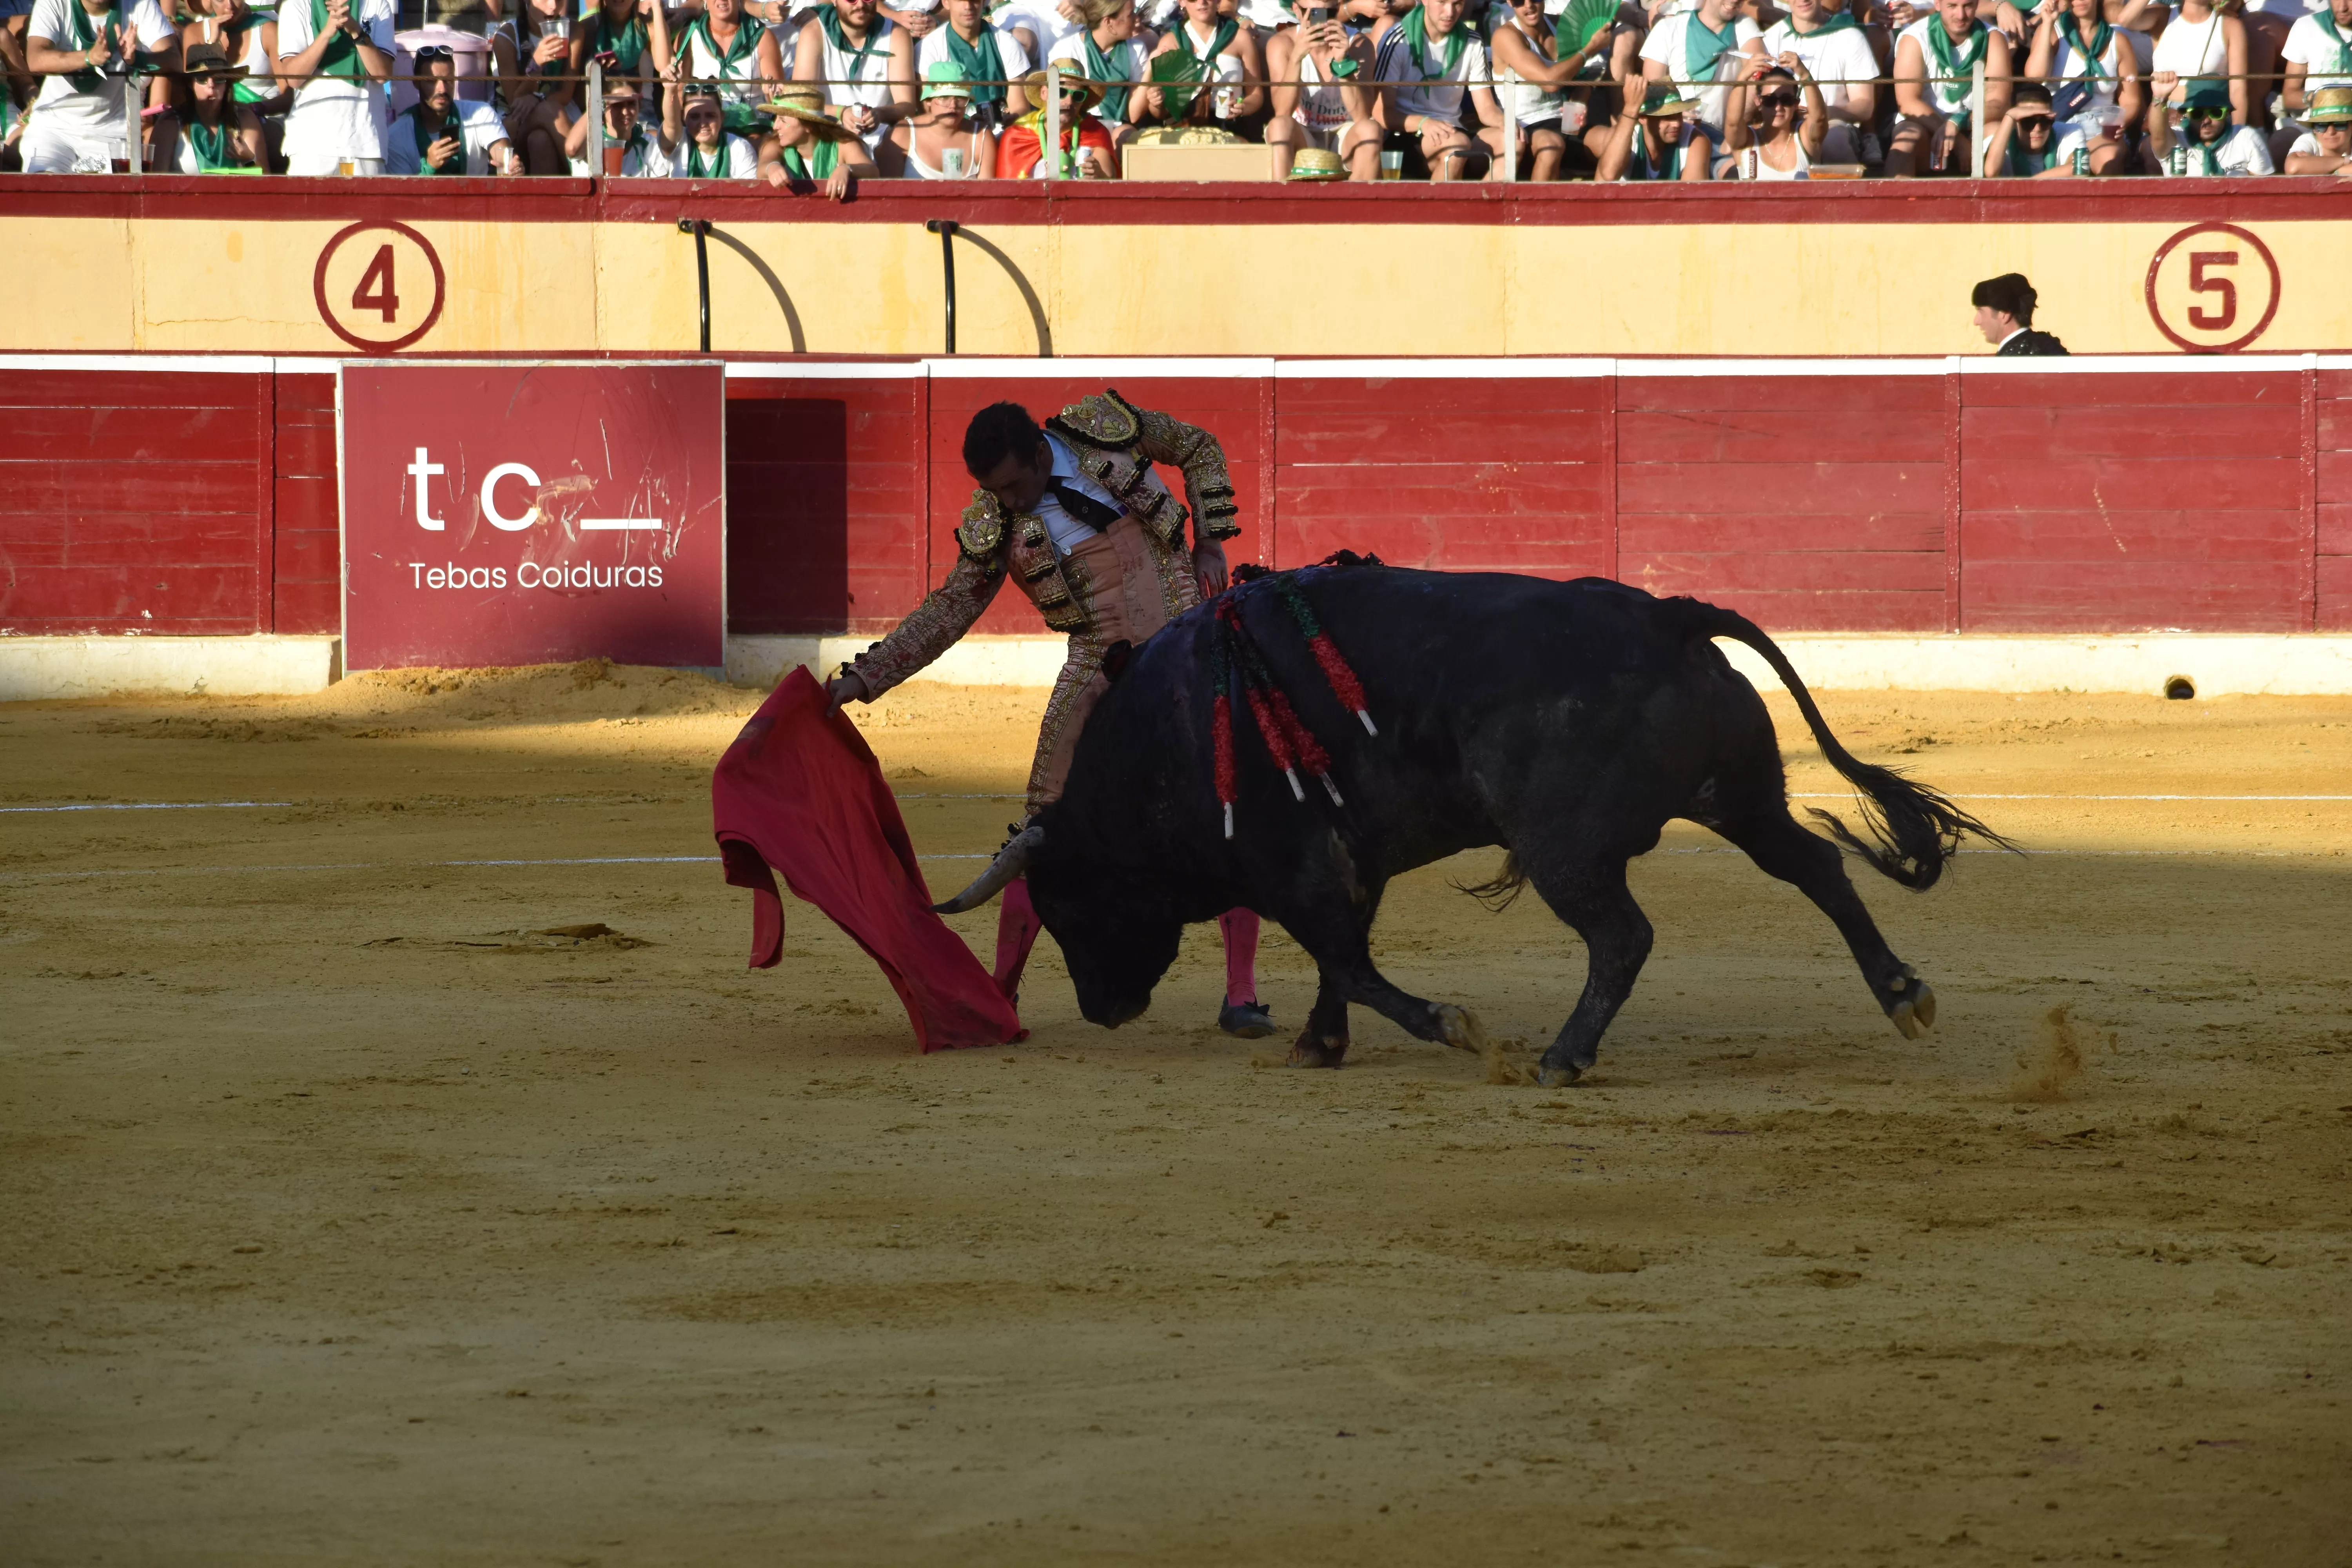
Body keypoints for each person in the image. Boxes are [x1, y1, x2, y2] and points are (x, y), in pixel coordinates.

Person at [824, 395, 1276, 1040]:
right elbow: (949, 611)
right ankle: (1001, 996)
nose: (1008, 502)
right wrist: (868, 675)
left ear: (1041, 454)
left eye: (1014, 485)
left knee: (1224, 802)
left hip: (1187, 637)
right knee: (1044, 827)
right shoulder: (996, 524)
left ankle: (1242, 997)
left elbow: (1199, 446)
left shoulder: (1104, 431)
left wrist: (1210, 542)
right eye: (994, 492)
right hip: (1100, 657)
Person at [20, 0, 174, 171]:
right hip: (54, 128)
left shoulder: (140, 4)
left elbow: (173, 58)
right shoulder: (53, 3)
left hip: (113, 132)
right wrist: (89, 58)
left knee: (106, 195)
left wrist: (139, 59)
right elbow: (36, 58)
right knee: (45, 189)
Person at [1372, 0, 1506, 178]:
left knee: (1512, 142)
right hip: (1407, 133)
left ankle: (1487, 203)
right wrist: (1423, 123)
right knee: (1456, 147)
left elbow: (1487, 110)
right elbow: (1381, 113)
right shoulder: (1398, 39)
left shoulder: (1473, 41)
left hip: (1454, 132)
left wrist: (1507, 124)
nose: (1450, 12)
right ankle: (1438, 205)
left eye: (1457, 4)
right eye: (1442, 2)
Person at [1887, 0, 2012, 175]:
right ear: (1937, 4)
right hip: (1926, 127)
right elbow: (1907, 103)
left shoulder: (1993, 38)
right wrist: (1952, 134)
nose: (1961, 15)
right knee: (1906, 138)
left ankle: (2002, 199)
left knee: (1999, 133)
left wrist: (1958, 122)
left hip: (1972, 126)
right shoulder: (1915, 38)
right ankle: (1895, 200)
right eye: (1952, 6)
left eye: (1968, 6)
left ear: (1977, 5)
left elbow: (1998, 102)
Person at [792, 0, 915, 169]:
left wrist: (879, 114)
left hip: (881, 133)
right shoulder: (814, 32)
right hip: (829, 130)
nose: (860, 5)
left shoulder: (896, 33)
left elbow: (907, 105)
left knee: (905, 135)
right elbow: (800, 100)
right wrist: (841, 112)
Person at [1265, 0, 1380, 178]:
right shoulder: (1282, 43)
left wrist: (1343, 63)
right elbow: (1283, 111)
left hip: (1345, 135)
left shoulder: (1359, 44)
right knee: (1279, 126)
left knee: (1370, 129)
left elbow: (1362, 116)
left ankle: (1360, 204)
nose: (1322, 23)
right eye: (1313, 14)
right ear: (1297, 10)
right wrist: (1297, 57)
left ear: (1338, 10)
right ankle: (1282, 202)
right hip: (1303, 134)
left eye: (1329, 14)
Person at [274, 0, 389, 174]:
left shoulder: (378, 4)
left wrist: (356, 31)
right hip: (310, 146)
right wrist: (328, 32)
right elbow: (293, 78)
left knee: (365, 203)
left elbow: (383, 74)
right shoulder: (295, 5)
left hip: (365, 143)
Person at [1636, 0, 1766, 152]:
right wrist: (1676, 116)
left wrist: (1733, 136)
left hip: (1721, 139)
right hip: (1676, 133)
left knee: (1730, 171)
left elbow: (1755, 82)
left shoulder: (1744, 24)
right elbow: (1653, 91)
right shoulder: (1668, 28)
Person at [1759, 0, 1877, 162]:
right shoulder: (1769, 40)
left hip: (1833, 125)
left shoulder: (1850, 36)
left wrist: (1824, 113)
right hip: (1782, 126)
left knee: (1832, 140)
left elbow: (1865, 106)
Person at [1142, 0, 1267, 136]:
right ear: (1182, 2)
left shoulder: (1240, 38)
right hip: (1184, 131)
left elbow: (1256, 94)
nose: (1202, 2)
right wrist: (1156, 103)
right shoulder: (1170, 43)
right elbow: (1160, 112)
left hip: (1230, 128)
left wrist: (1243, 107)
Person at [388, 42, 514, 173]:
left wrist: (509, 165)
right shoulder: (397, 136)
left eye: (448, 80)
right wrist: (430, 167)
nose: (442, 89)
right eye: (432, 81)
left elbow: (502, 152)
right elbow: (403, 192)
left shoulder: (480, 113)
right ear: (416, 83)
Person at [673, 0, 786, 146]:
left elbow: (780, 102)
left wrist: (771, 96)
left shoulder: (762, 36)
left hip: (754, 127)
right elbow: (679, 95)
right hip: (705, 126)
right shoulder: (687, 37)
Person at [1048, 0, 1148, 148]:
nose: (1137, 19)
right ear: (1109, 23)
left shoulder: (1137, 49)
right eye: (1130, 14)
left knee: (1127, 139)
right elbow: (1058, 101)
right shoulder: (1068, 48)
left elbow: (1134, 115)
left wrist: (1151, 69)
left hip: (1119, 124)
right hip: (1079, 122)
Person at [492, 0, 575, 173]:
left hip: (558, 113)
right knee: (550, 110)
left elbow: (566, 93)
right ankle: (583, 170)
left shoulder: (573, 31)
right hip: (514, 120)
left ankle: (547, 199)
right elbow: (515, 102)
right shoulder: (506, 37)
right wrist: (536, 65)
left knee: (540, 140)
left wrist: (537, 98)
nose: (553, 6)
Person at [154, 38, 264, 169]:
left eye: (219, 79)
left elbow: (266, 183)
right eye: (202, 78)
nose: (211, 85)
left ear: (227, 83)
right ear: (190, 83)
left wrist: (248, 160)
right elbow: (155, 183)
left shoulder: (245, 120)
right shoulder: (170, 124)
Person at [917, 0, 1031, 123]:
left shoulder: (1007, 42)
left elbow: (1019, 106)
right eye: (960, 1)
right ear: (946, 3)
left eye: (975, 0)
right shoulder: (929, 47)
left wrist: (1010, 121)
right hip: (951, 129)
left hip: (1001, 128)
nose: (968, 6)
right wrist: (968, 125)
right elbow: (928, 108)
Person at [995, 62, 1116, 173]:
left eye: (1078, 96)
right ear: (1044, 93)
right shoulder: (1017, 136)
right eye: (1061, 92)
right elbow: (1006, 192)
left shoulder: (1095, 133)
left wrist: (1098, 176)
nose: (1069, 102)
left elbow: (1109, 184)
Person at [763, 77, 878, 192]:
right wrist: (771, 168)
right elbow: (763, 167)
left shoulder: (843, 144)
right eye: (776, 118)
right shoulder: (777, 144)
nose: (775, 127)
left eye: (783, 121)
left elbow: (872, 171)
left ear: (808, 126)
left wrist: (847, 168)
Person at [2274, 0, 2352, 165]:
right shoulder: (2306, 27)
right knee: (2279, 144)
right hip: (2316, 125)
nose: (2343, 7)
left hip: (2348, 127)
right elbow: (2289, 96)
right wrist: (2320, 99)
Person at [2145, 71, 2273, 170]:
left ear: (2227, 113)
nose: (2206, 121)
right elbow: (2158, 135)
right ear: (2187, 115)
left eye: (2216, 113)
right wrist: (2159, 97)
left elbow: (2262, 192)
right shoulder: (2176, 141)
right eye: (2197, 113)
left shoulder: (2245, 137)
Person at [2143, 0, 2245, 125]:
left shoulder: (2231, 26)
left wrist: (2237, 131)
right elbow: (2125, 19)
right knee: (2153, 144)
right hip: (2167, 111)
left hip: (2211, 114)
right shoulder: (2162, 16)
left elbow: (2238, 89)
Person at [890, 55, 994, 173]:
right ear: (929, 101)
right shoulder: (903, 133)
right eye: (944, 98)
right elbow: (887, 189)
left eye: (960, 98)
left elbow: (989, 190)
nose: (953, 105)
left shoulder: (982, 137)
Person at [1722, 58, 1825, 177]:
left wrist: (1805, 75)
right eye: (1770, 100)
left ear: (1796, 104)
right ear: (1759, 102)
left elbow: (1819, 119)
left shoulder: (1804, 138)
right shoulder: (1747, 142)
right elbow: (1733, 124)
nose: (1778, 107)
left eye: (1786, 100)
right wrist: (1742, 78)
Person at [1983, 76, 2108, 170]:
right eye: (2028, 121)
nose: (2037, 129)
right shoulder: (1999, 143)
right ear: (2015, 123)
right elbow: (1990, 172)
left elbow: (2078, 170)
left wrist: (2026, 185)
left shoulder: (2070, 132)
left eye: (2045, 120)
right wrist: (2009, 117)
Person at [1595, 80, 1712, 177]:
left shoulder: (1696, 140)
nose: (1676, 124)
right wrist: (1631, 110)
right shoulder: (1625, 137)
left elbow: (1692, 201)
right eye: (1667, 118)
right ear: (1643, 118)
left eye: (1678, 115)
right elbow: (1608, 176)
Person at [661, 72, 760, 174]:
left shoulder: (740, 148)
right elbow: (671, 125)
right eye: (694, 117)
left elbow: (749, 190)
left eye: (710, 116)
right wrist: (670, 91)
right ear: (683, 117)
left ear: (722, 117)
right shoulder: (679, 143)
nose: (703, 123)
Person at [563, 72, 662, 171]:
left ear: (639, 106)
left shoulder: (648, 144)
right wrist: (598, 102)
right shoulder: (590, 143)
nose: (625, 112)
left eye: (631, 104)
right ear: (604, 106)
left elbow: (663, 185)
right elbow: (572, 149)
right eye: (618, 105)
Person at [1972, 271, 2067, 354]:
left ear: (2004, 314)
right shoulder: (2049, 346)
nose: (1976, 321)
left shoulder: (2007, 362)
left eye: (1981, 312)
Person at [2281, 80, 2352, 169]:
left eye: (2339, 124)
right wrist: (2346, 162)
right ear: (2314, 129)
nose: (2331, 132)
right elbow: (2293, 168)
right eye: (2322, 125)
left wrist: (2315, 164)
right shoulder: (2309, 139)